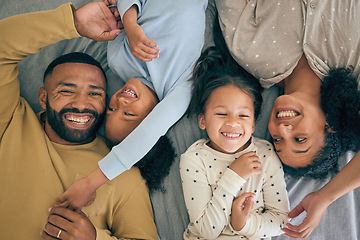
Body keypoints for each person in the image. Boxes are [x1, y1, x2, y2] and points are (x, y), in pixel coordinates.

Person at [0, 2, 158, 239]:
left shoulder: (123, 173)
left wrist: (94, 238)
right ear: (43, 97)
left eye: (95, 93)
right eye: (66, 91)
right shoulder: (12, 119)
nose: (82, 104)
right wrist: (72, 23)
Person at [214, 0, 360, 238]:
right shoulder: (354, 63)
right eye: (300, 139)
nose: (282, 130)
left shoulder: (248, 51)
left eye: (278, 141)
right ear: (330, 125)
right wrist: (325, 197)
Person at [56, 0, 208, 211]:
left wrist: (130, 23)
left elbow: (124, 5)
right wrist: (90, 183)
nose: (119, 101)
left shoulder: (117, 60)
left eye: (111, 109)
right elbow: (145, 136)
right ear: (153, 116)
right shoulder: (180, 88)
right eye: (128, 113)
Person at [180, 46, 290, 239]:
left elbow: (281, 220)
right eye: (221, 113)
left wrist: (244, 224)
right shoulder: (195, 160)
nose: (232, 122)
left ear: (254, 124)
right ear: (202, 120)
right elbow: (207, 231)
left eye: (243, 115)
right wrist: (234, 176)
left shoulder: (265, 155)